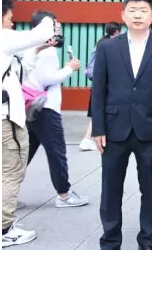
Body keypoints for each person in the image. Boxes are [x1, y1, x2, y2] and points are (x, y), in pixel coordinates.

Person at [91, 0, 152, 250]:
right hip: (113, 129)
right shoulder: (107, 47)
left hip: (151, 128)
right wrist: (98, 128)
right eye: (132, 10)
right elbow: (98, 90)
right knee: (111, 187)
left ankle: (149, 239)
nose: (138, 15)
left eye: (143, 11)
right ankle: (110, 239)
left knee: (150, 187)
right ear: (123, 15)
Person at [2, 0, 57, 247]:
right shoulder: (3, 37)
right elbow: (41, 32)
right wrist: (49, 20)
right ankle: (4, 228)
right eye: (10, 18)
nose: (12, 24)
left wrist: (37, 50)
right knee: (11, 172)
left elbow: (19, 73)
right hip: (6, 120)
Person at [21, 11, 88, 208]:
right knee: (56, 151)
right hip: (46, 108)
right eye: (54, 25)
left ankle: (6, 193)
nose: (58, 28)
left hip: (30, 106)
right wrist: (70, 68)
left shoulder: (29, 47)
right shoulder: (47, 51)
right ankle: (64, 194)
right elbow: (47, 79)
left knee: (24, 154)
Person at [80, 22, 121, 151]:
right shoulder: (111, 45)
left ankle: (90, 139)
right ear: (116, 32)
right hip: (107, 84)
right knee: (99, 112)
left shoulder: (100, 43)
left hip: (98, 83)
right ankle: (87, 139)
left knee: (99, 111)